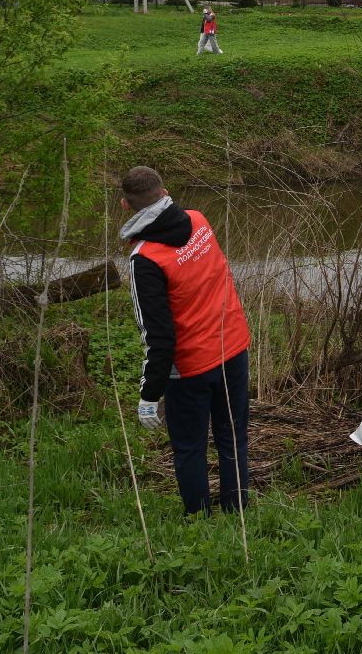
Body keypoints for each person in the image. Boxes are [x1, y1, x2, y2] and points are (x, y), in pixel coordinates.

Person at [120, 165, 251, 515]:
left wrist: (149, 394)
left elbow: (157, 336)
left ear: (125, 205)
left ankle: (199, 522)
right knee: (232, 436)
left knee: (190, 447)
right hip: (234, 347)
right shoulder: (198, 220)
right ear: (164, 192)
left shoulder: (144, 259)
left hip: (192, 368)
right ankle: (237, 511)